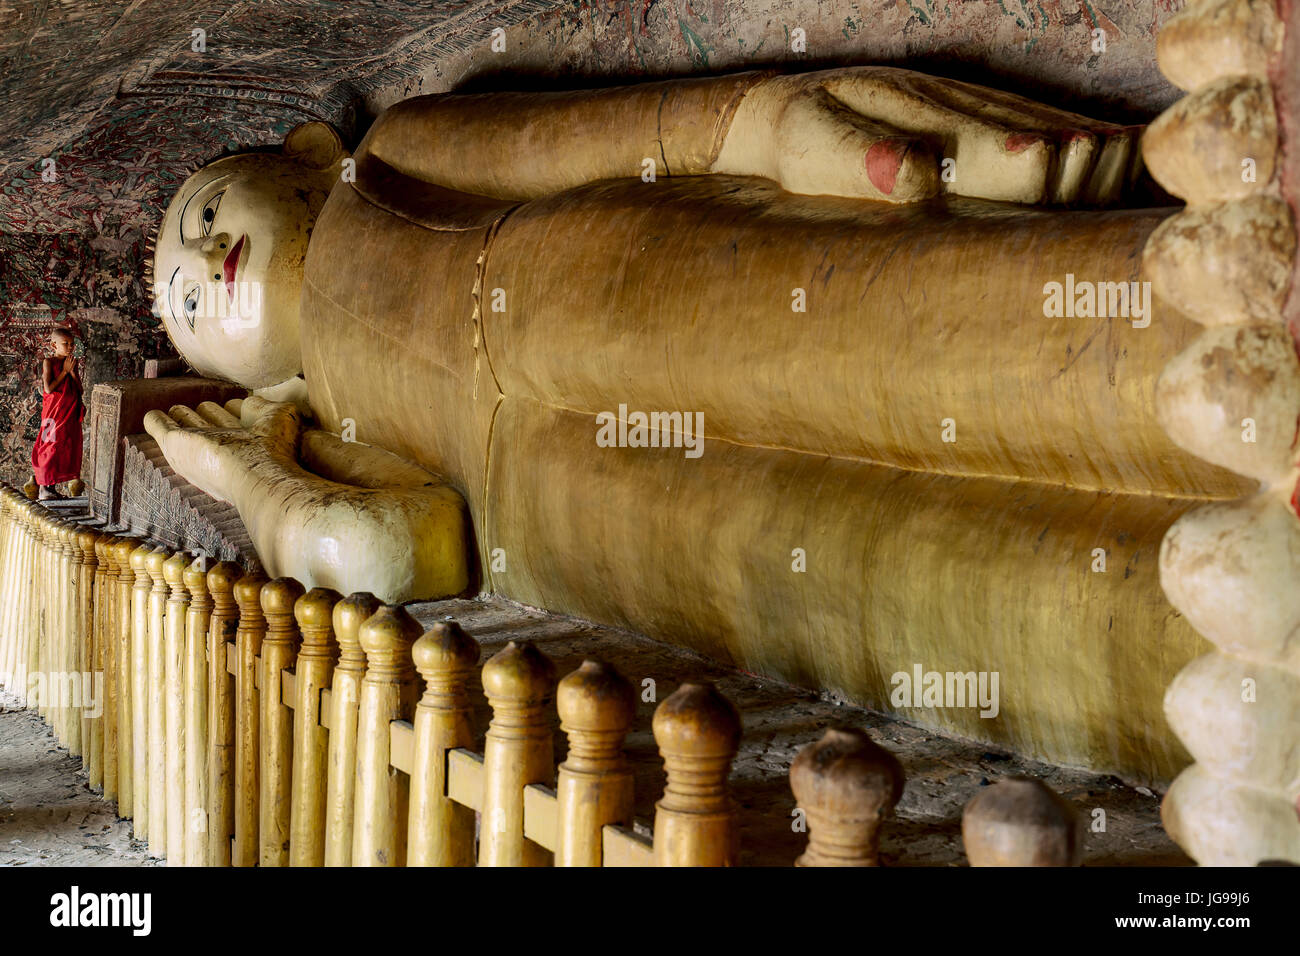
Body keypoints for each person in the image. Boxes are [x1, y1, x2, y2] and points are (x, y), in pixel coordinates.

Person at [31, 327, 85, 500]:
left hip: (67, 414)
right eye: (65, 344)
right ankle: (44, 487)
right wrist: (64, 371)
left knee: (64, 447)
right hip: (52, 415)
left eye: (72, 344)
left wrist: (71, 372)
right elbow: (49, 388)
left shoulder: (71, 362)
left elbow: (80, 390)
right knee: (49, 446)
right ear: (54, 344)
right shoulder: (49, 362)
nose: (70, 347)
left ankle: (51, 488)